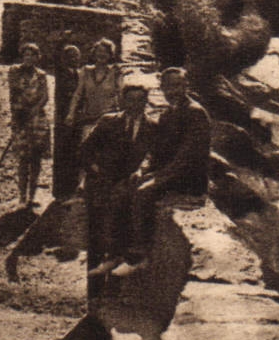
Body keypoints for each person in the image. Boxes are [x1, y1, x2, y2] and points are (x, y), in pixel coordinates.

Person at [119, 67, 211, 277]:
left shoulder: (195, 113)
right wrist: (144, 170)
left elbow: (187, 157)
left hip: (189, 178)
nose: (173, 91)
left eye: (178, 86)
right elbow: (157, 150)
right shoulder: (168, 114)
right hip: (172, 173)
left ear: (186, 86)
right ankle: (124, 248)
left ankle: (140, 254)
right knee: (128, 185)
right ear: (162, 88)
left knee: (144, 193)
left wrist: (157, 177)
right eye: (168, 86)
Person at [80, 83, 153, 300]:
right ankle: (93, 296)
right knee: (96, 241)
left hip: (128, 193)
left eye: (140, 100)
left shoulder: (152, 127)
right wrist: (96, 171)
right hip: (101, 188)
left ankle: (113, 295)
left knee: (123, 242)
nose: (135, 105)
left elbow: (155, 156)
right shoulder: (108, 122)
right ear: (123, 101)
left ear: (146, 102)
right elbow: (85, 151)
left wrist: (142, 170)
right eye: (130, 100)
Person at [7, 43, 51, 208]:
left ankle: (32, 196)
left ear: (37, 58)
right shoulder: (14, 72)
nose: (29, 58)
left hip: (37, 120)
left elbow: (45, 96)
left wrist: (35, 109)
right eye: (26, 55)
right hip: (21, 118)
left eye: (32, 55)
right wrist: (19, 115)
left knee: (36, 159)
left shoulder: (41, 75)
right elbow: (14, 94)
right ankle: (21, 197)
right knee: (23, 159)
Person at [66, 38, 121, 145]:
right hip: (89, 117)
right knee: (88, 149)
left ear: (110, 55)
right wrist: (71, 113)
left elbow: (121, 95)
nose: (102, 54)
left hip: (109, 118)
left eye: (105, 52)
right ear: (94, 53)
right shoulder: (86, 71)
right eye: (99, 51)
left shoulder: (115, 72)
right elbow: (77, 94)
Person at [51, 44, 83, 197]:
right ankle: (60, 191)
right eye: (71, 57)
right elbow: (67, 97)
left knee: (74, 154)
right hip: (64, 120)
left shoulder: (78, 73)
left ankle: (71, 188)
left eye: (77, 56)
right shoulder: (63, 74)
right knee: (63, 155)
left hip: (76, 120)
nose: (75, 59)